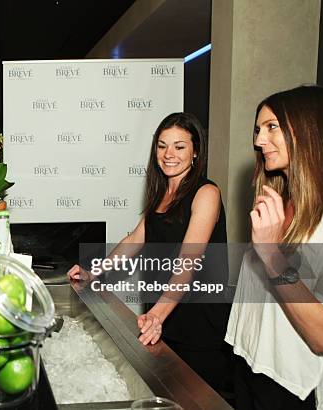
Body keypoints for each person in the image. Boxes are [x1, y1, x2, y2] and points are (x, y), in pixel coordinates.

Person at [67, 112, 231, 394]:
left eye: (179, 147)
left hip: (196, 318)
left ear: (195, 152)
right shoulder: (162, 192)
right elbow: (134, 240)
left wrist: (157, 315)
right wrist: (95, 271)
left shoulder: (206, 192)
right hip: (162, 312)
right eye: (162, 145)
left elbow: (187, 264)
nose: (169, 154)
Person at [225, 85, 323, 410]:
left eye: (272, 127)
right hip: (248, 364)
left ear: (309, 130)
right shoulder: (278, 203)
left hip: (292, 387)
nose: (258, 141)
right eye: (258, 130)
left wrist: (271, 255)